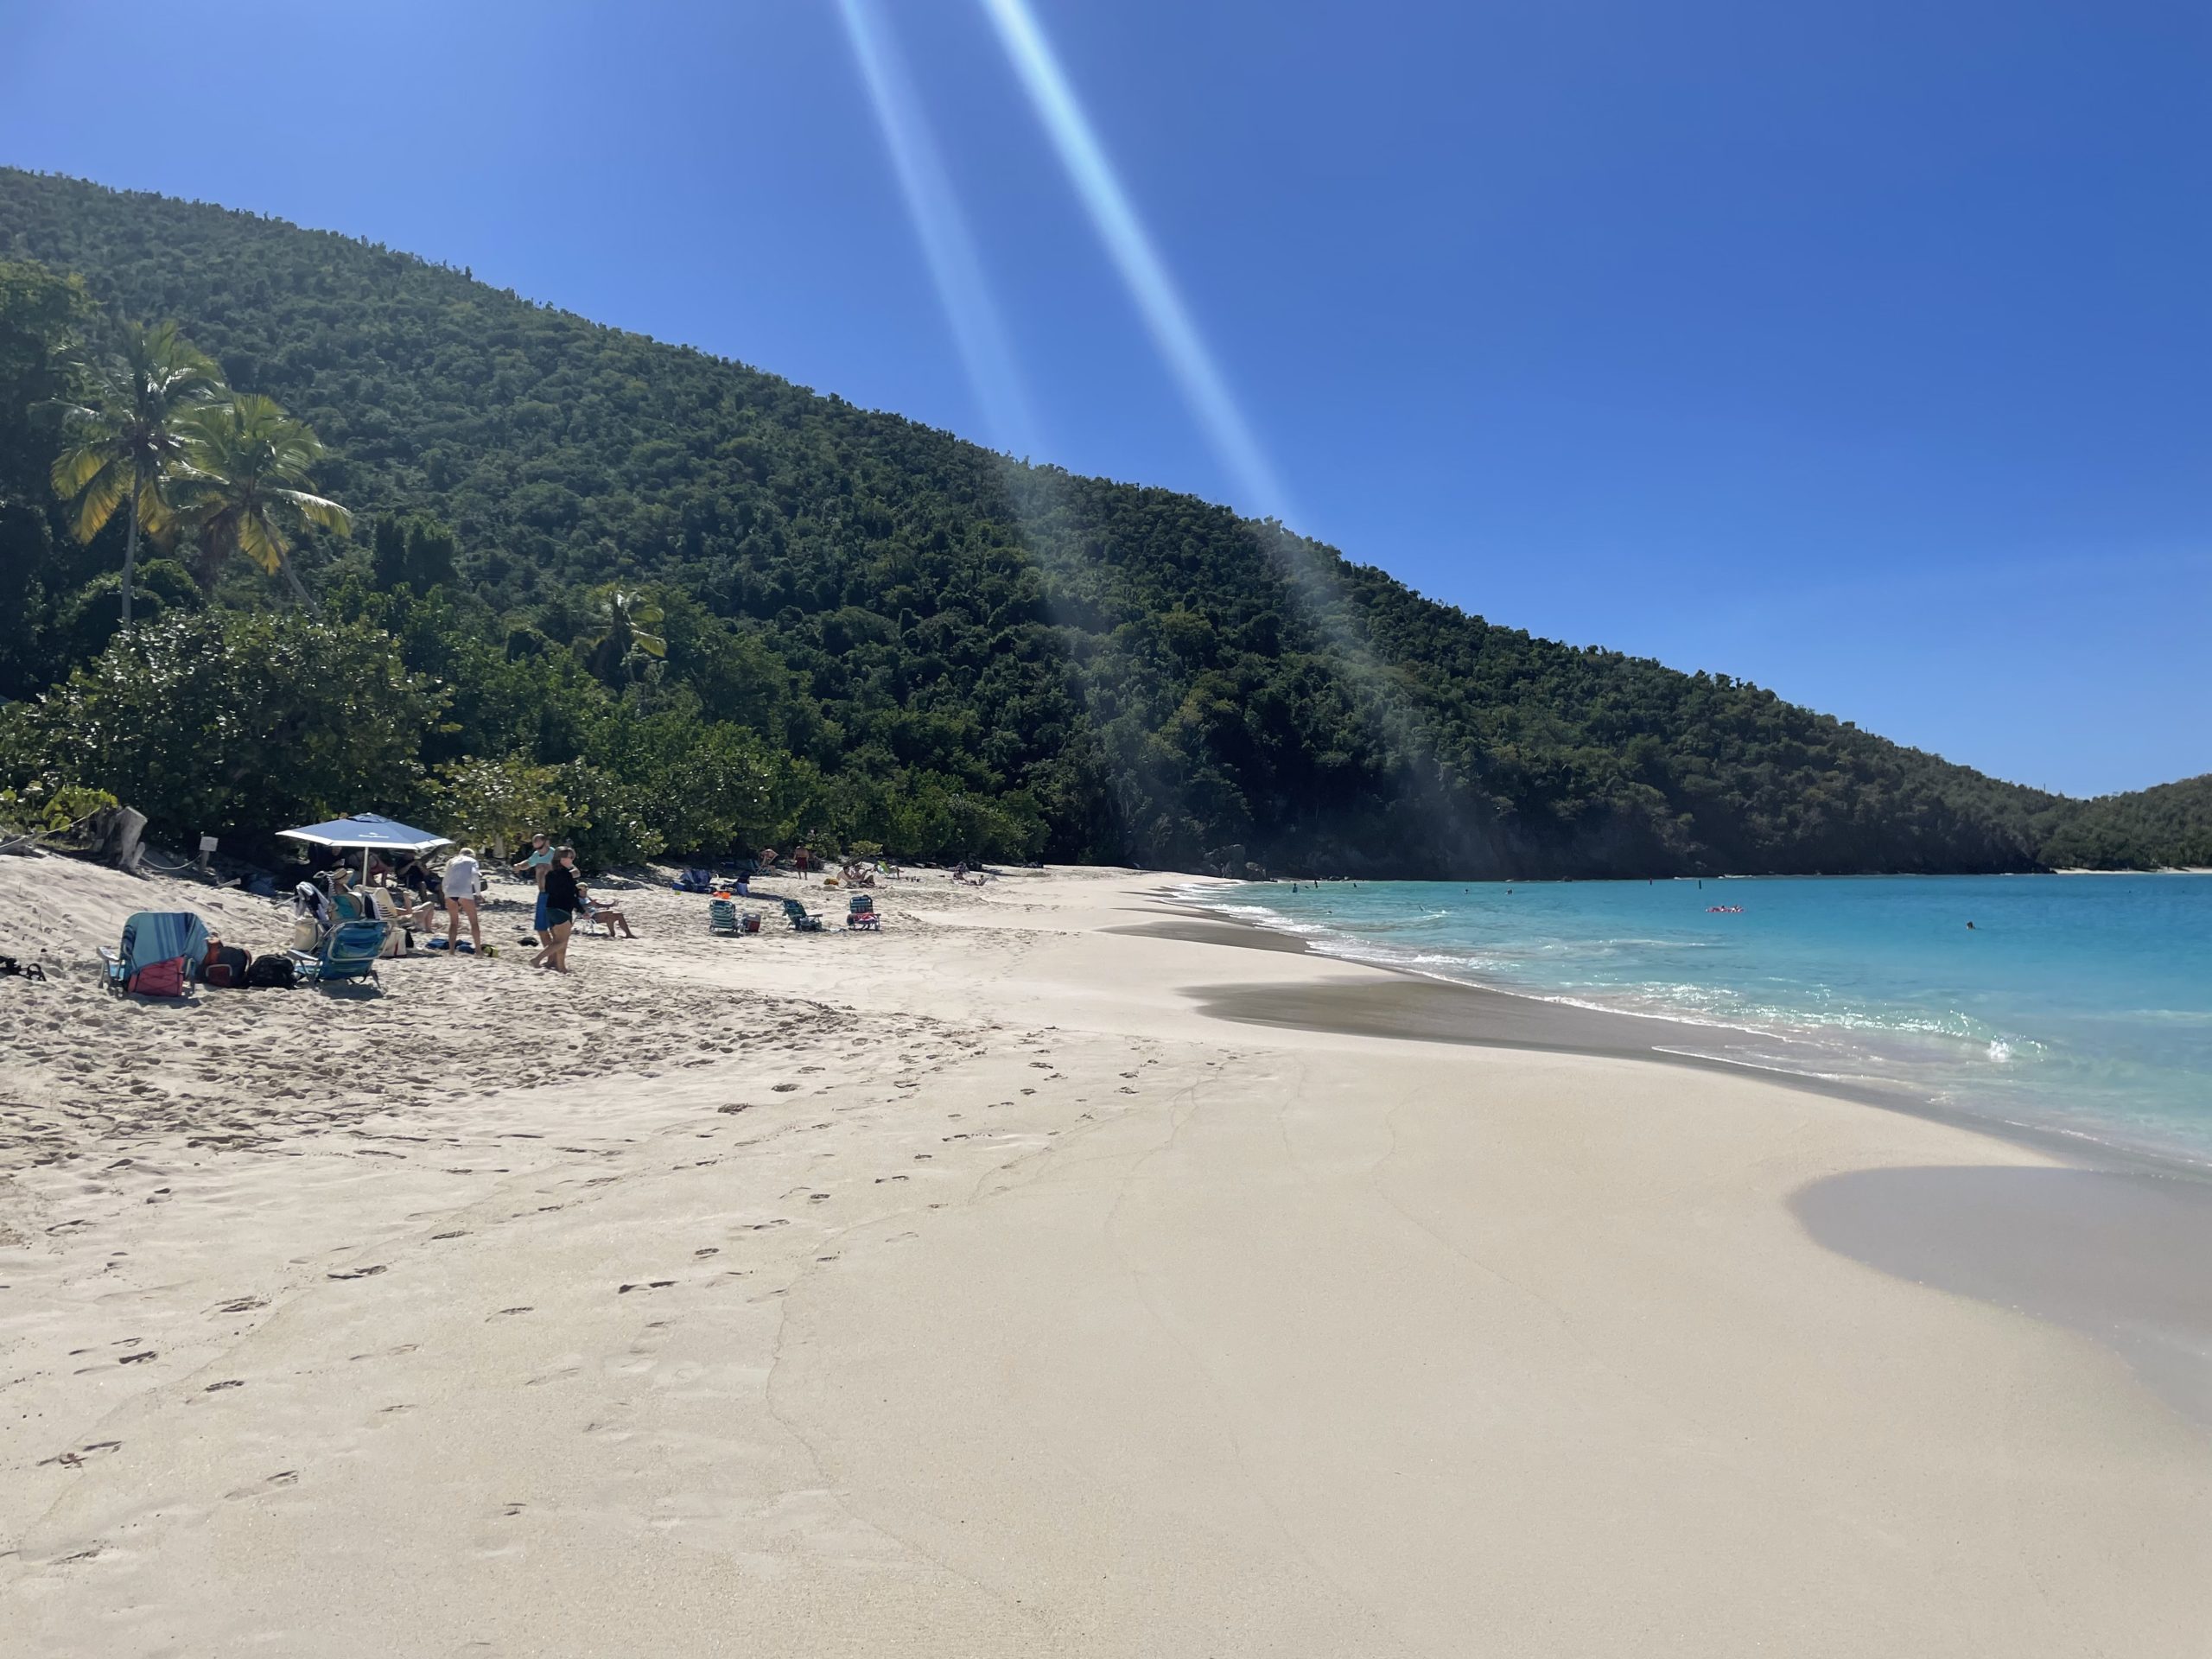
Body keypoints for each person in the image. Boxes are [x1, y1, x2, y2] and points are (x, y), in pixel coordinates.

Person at [539, 846, 583, 972]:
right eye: (569, 857)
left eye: (571, 857)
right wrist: (582, 910)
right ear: (561, 859)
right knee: (561, 941)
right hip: (562, 910)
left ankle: (561, 966)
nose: (571, 860)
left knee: (559, 940)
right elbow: (571, 896)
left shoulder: (551, 874)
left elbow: (550, 890)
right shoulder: (565, 875)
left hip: (550, 908)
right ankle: (538, 959)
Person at [514, 833, 555, 962]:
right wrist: (520, 865)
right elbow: (529, 863)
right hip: (542, 895)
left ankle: (556, 959)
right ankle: (550, 957)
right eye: (536, 848)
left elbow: (574, 871)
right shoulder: (537, 855)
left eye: (541, 847)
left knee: (554, 930)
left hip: (555, 894)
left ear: (547, 843)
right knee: (541, 928)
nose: (539, 850)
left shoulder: (556, 855)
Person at [442, 845, 484, 952]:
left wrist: (445, 892)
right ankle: (478, 950)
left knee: (453, 922)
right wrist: (478, 894)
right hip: (464, 892)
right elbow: (475, 875)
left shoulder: (452, 861)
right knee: (473, 922)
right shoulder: (472, 861)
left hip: (450, 891)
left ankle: (451, 950)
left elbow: (445, 879)